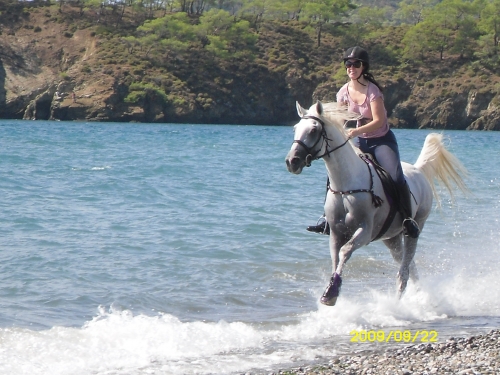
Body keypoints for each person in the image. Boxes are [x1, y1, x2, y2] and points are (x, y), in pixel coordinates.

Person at [306, 46, 420, 238]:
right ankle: (327, 219)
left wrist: (356, 130)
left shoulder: (373, 91)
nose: (351, 67)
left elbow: (379, 121)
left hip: (381, 141)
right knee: (336, 172)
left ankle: (408, 219)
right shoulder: (343, 92)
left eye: (355, 64)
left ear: (363, 67)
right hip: (360, 142)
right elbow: (341, 120)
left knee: (394, 175)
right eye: (348, 64)